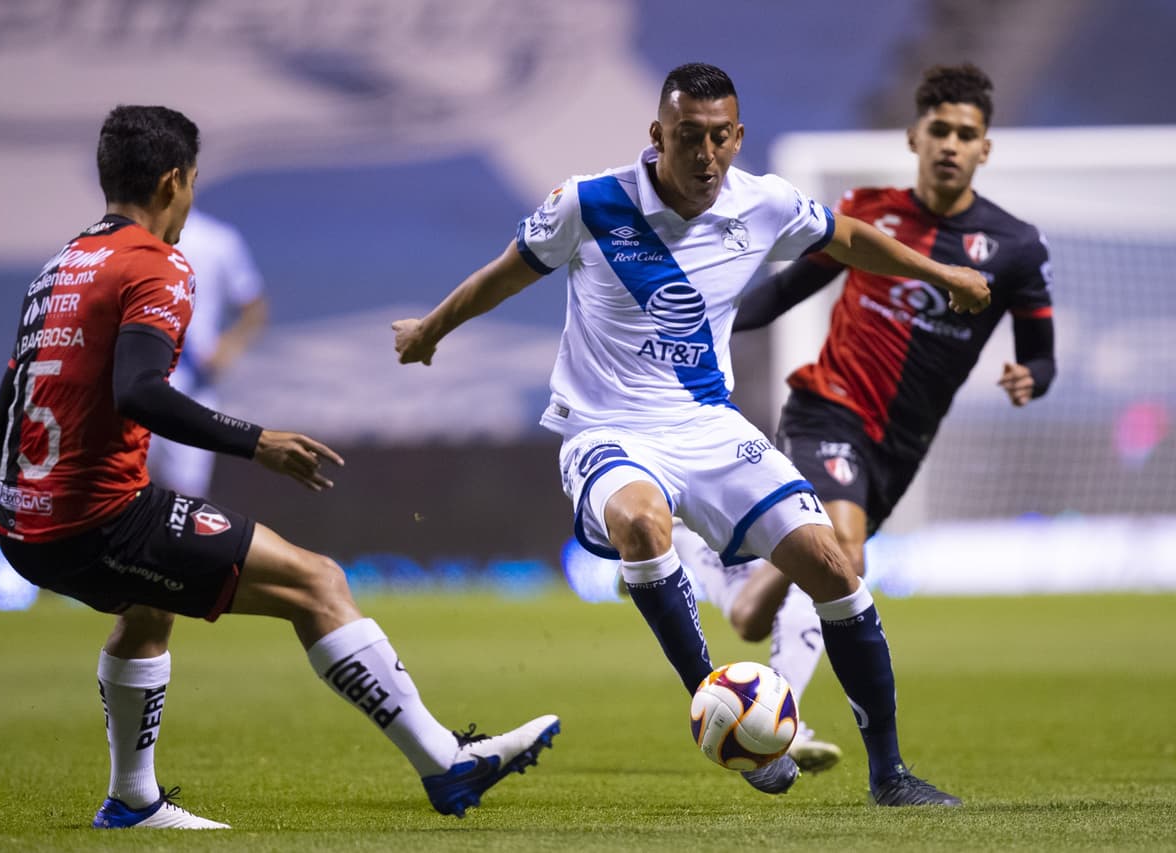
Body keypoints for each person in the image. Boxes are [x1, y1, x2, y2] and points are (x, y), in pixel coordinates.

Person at [0, 105, 559, 830]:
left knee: (149, 606)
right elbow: (137, 391)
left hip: (27, 524)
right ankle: (445, 762)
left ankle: (133, 800)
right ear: (174, 180)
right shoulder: (157, 264)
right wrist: (256, 440)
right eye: (193, 183)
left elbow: (4, 407)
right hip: (97, 519)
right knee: (318, 581)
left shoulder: (58, 269)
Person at [394, 63, 989, 807]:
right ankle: (717, 707)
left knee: (834, 566)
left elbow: (850, 239)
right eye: (687, 137)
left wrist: (941, 274)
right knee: (645, 523)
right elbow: (505, 274)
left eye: (718, 138)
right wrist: (430, 329)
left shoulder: (763, 204)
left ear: (737, 137)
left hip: (708, 426)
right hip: (606, 430)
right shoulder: (590, 202)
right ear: (657, 135)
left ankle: (891, 774)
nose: (705, 155)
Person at [678, 62, 1056, 776]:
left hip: (899, 448)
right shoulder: (871, 214)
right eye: (938, 130)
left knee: (757, 613)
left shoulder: (1014, 248)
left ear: (985, 148)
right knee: (846, 555)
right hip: (829, 408)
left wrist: (1027, 375)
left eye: (965, 134)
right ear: (915, 137)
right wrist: (711, 324)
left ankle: (719, 557)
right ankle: (790, 720)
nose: (950, 143)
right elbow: (789, 288)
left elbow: (1042, 354)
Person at [148, 207, 268, 497]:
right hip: (133, 383)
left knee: (186, 500)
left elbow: (253, 307)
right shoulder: (122, 241)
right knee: (122, 497)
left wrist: (228, 347)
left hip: (191, 387)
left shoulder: (217, 240)